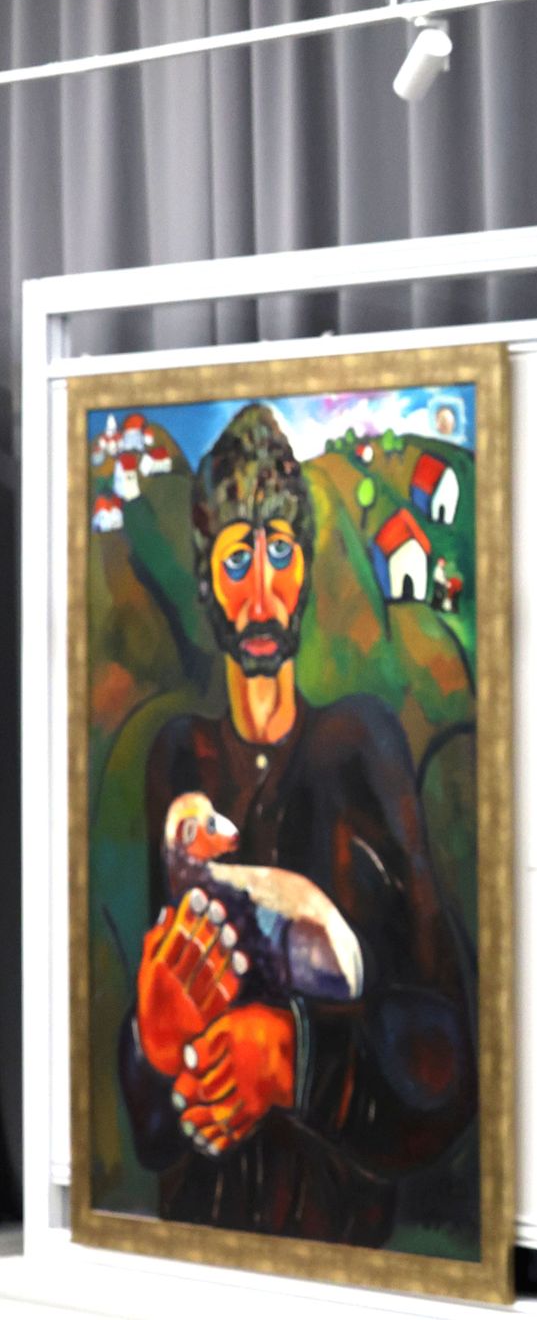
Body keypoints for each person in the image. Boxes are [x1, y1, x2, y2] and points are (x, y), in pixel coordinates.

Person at [118, 404, 476, 1245]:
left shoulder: (359, 748)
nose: (262, 593)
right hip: (194, 1248)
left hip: (345, 1250)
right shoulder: (177, 762)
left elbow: (447, 1063)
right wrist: (151, 1044)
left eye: (280, 552)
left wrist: (296, 1058)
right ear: (206, 580)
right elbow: (149, 1132)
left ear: (307, 568)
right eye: (237, 559)